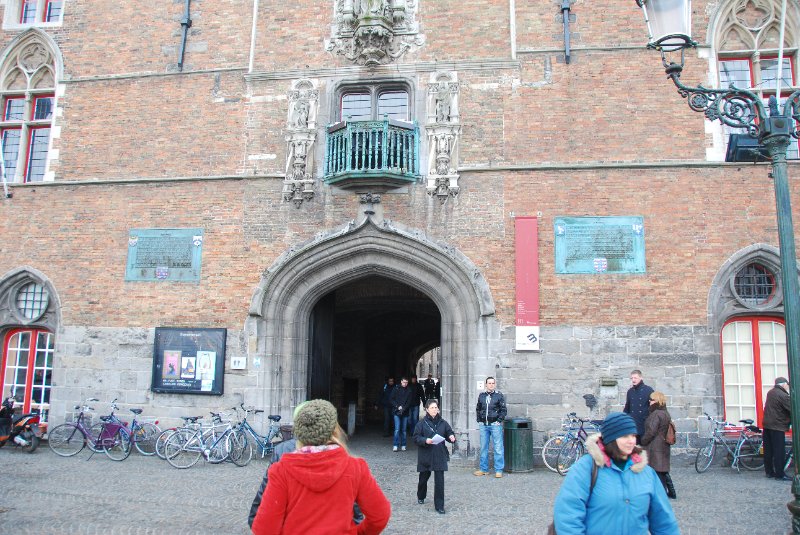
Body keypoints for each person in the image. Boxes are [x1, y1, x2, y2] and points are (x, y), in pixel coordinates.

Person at [251, 399, 390, 535]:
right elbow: (380, 515)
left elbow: (264, 529)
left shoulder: (281, 471)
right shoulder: (355, 468)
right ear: (334, 430)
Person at [552, 412, 679, 535]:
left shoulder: (646, 472)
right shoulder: (585, 469)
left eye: (633, 435)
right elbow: (568, 516)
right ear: (611, 439)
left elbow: (663, 520)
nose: (631, 441)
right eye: (625, 436)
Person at [413, 399, 456, 515]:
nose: (434, 410)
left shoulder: (443, 422)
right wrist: (425, 440)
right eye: (432, 408)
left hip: (439, 454)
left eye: (436, 408)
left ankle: (439, 505)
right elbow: (416, 438)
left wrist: (451, 437)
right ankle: (421, 495)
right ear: (427, 409)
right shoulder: (421, 423)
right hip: (426, 454)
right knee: (423, 477)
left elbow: (449, 432)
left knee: (439, 481)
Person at [641, 391, 676, 499]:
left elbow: (651, 431)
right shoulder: (665, 412)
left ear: (656, 401)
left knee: (657, 471)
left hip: (655, 446)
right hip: (662, 445)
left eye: (651, 400)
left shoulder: (656, 414)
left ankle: (661, 494)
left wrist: (643, 441)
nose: (649, 402)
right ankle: (669, 492)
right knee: (662, 470)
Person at [474, 376, 506, 478]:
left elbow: (503, 410)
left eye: (493, 383)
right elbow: (478, 409)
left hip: (495, 425)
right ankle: (484, 469)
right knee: (483, 447)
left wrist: (499, 421)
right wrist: (479, 420)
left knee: (498, 448)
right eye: (489, 383)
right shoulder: (481, 396)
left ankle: (499, 470)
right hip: (484, 425)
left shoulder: (499, 396)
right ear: (486, 384)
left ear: (494, 384)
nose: (491, 385)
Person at [763, 376, 792, 481]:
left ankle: (769, 472)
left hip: (767, 425)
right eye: (787, 385)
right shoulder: (783, 395)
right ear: (784, 384)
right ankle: (780, 473)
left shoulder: (770, 392)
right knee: (779, 451)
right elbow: (792, 408)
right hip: (777, 426)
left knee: (768, 450)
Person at [623, 369, 654, 443]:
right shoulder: (630, 391)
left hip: (644, 425)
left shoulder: (648, 390)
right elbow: (627, 407)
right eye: (632, 378)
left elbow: (653, 407)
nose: (633, 380)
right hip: (633, 425)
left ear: (641, 378)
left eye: (635, 378)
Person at [390, 377, 412, 451]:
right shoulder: (396, 389)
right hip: (396, 411)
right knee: (397, 429)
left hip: (405, 412)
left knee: (404, 430)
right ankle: (395, 445)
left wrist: (404, 408)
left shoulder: (409, 390)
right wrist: (397, 406)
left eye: (406, 382)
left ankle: (403, 444)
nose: (405, 384)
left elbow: (409, 402)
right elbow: (391, 399)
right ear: (401, 381)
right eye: (404, 382)